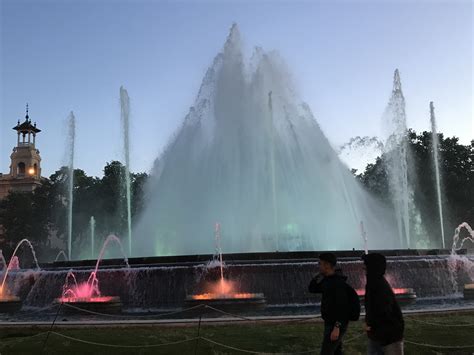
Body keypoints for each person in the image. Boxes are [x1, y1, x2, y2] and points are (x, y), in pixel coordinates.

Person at [362, 253, 404, 355]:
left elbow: (382, 310)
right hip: (379, 334)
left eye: (365, 264)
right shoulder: (374, 283)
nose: (363, 267)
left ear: (372, 266)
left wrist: (371, 324)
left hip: (388, 336)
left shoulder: (377, 285)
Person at [308, 253, 350, 355]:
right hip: (330, 322)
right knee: (336, 351)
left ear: (327, 265)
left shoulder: (337, 283)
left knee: (326, 352)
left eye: (320, 263)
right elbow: (312, 289)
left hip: (336, 324)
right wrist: (317, 277)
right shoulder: (327, 280)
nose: (319, 266)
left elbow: (342, 306)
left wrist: (337, 327)